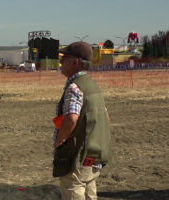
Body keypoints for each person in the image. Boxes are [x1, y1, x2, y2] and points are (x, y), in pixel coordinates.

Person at [52, 41, 111, 200]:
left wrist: (60, 140)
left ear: (75, 61)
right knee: (90, 192)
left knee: (73, 190)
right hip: (94, 153)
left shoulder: (74, 87)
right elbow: (105, 117)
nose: (61, 61)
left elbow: (71, 118)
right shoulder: (94, 87)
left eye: (64, 58)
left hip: (77, 155)